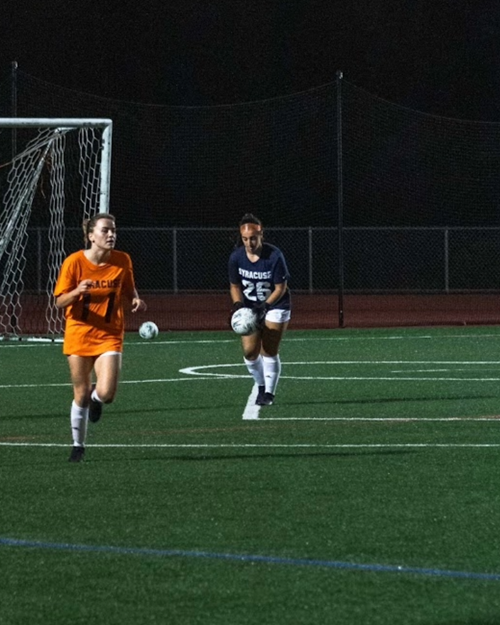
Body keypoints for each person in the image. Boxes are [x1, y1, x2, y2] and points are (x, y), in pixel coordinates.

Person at [54, 213, 147, 462]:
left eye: (113, 230)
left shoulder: (122, 260)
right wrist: (77, 291)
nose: (111, 235)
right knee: (80, 393)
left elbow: (128, 287)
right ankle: (78, 446)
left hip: (109, 334)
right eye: (105, 230)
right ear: (91, 235)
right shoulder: (73, 263)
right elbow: (60, 301)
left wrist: (135, 299)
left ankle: (97, 400)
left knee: (106, 394)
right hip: (79, 333)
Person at [228, 213, 291, 406]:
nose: (249, 243)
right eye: (245, 239)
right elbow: (235, 286)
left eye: (253, 238)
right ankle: (261, 385)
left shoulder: (274, 256)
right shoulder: (236, 257)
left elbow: (281, 288)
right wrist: (238, 306)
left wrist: (265, 307)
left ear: (261, 234)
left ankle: (269, 393)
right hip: (249, 306)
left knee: (269, 349)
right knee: (249, 352)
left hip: (275, 304)